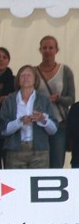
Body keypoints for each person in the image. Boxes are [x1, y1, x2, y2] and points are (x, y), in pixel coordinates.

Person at [0, 65, 57, 169]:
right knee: (15, 184)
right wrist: (20, 121)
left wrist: (43, 120)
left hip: (39, 151)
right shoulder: (9, 100)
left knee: (38, 182)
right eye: (22, 75)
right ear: (18, 80)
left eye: (29, 75)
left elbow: (53, 130)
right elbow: (3, 130)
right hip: (15, 151)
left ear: (35, 79)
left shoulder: (44, 100)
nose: (26, 78)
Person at [35, 35, 75, 169]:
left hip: (60, 123)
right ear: (40, 50)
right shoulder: (34, 72)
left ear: (56, 50)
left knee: (57, 162)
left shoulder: (65, 70)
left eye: (51, 48)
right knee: (39, 161)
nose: (47, 51)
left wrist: (59, 98)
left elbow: (71, 99)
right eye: (44, 48)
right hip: (39, 123)